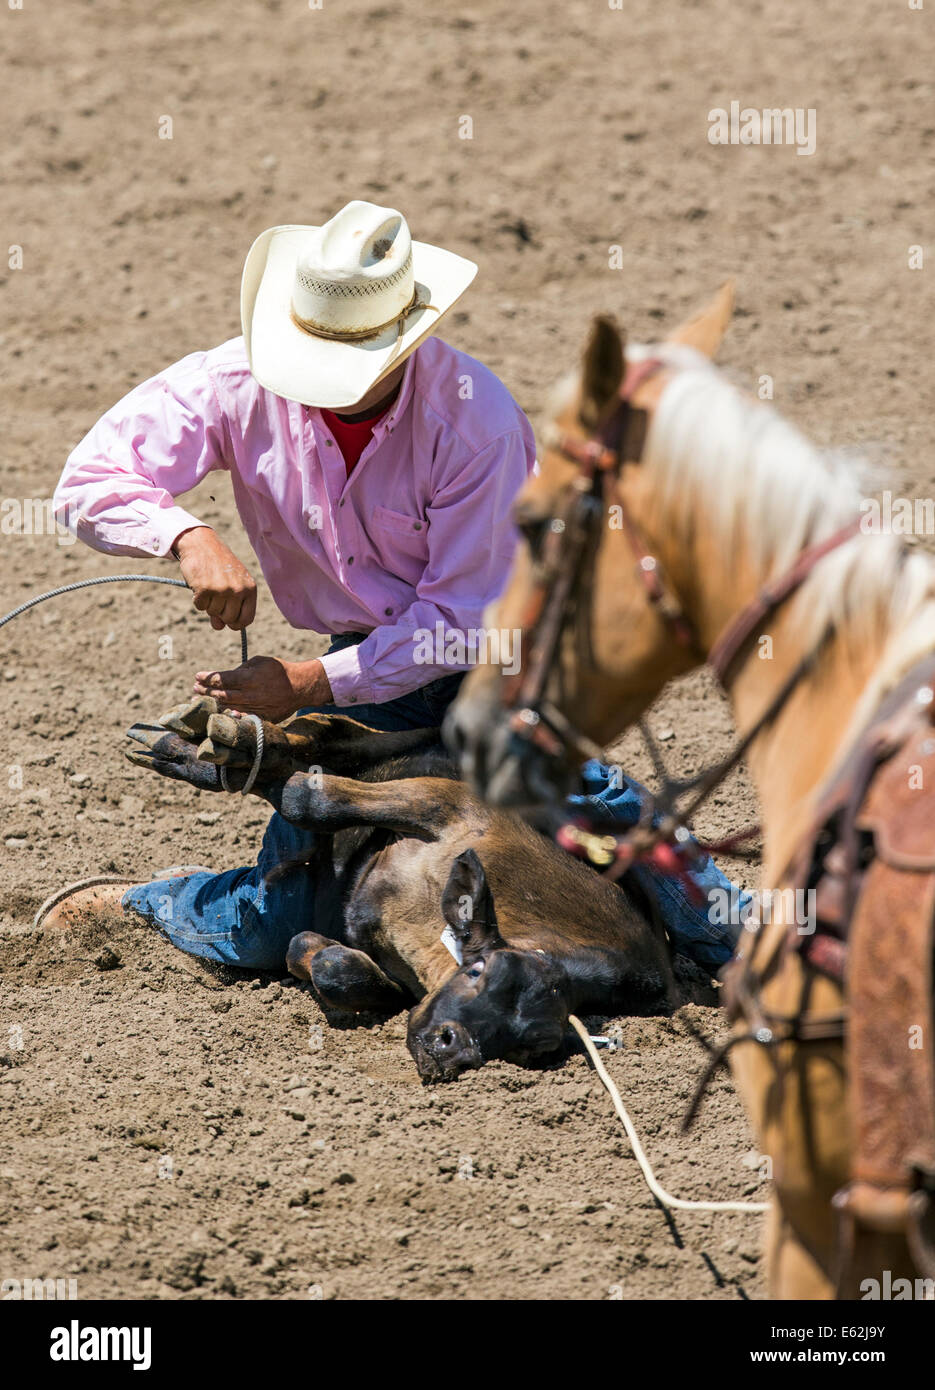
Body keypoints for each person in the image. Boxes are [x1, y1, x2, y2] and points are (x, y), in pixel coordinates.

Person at [51, 198, 743, 972]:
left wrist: (314, 682)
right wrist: (186, 535)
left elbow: (464, 619)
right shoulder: (234, 381)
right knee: (266, 926)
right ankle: (151, 898)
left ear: (400, 345)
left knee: (575, 787)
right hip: (375, 661)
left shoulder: (471, 423)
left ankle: (730, 922)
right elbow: (91, 477)